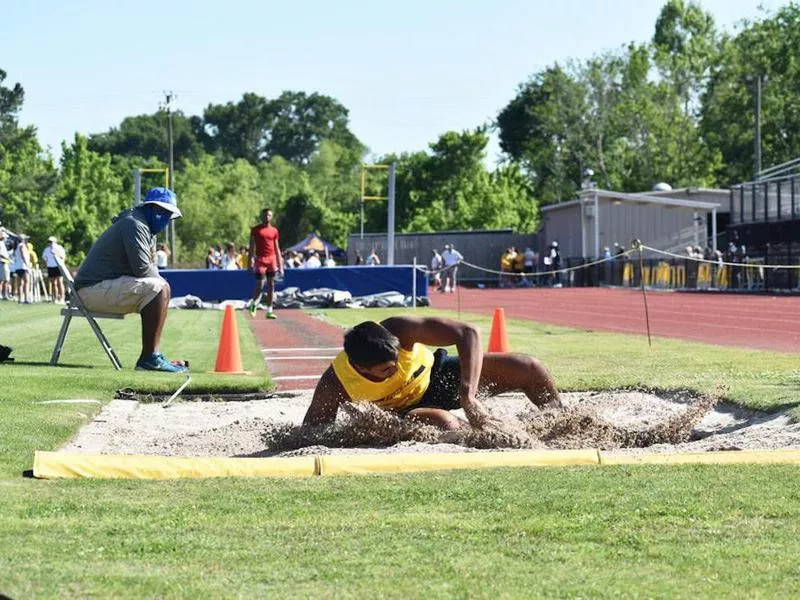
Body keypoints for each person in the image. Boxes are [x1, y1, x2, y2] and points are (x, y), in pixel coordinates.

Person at [303, 316, 561, 431]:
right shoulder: (336, 383)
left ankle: (561, 422)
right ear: (361, 368)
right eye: (386, 370)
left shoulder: (398, 329)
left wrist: (468, 396)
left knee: (528, 367)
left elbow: (468, 332)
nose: (396, 370)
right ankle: (484, 434)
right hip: (404, 411)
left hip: (438, 375)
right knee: (444, 422)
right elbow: (311, 431)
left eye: (396, 361)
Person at [74, 187, 187, 372]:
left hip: (98, 288)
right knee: (159, 289)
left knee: (161, 289)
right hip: (89, 291)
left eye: (169, 215)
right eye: (163, 213)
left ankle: (153, 356)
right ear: (151, 209)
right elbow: (143, 269)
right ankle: (150, 358)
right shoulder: (134, 224)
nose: (166, 219)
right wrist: (163, 291)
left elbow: (148, 268)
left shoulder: (144, 227)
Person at [247, 208, 284, 320]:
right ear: (261, 216)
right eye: (265, 215)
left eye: (269, 215)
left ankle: (269, 311)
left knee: (271, 285)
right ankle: (253, 305)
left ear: (271, 217)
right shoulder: (255, 230)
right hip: (260, 260)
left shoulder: (274, 231)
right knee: (260, 284)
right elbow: (251, 247)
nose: (266, 217)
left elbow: (277, 248)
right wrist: (249, 263)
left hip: (271, 260)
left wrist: (280, 265)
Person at [42, 236, 67, 304]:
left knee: (60, 282)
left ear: (55, 242)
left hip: (58, 266)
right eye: (49, 242)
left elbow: (63, 257)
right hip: (50, 267)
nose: (49, 243)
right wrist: (45, 265)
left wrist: (56, 255)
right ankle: (55, 298)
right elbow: (44, 258)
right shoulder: (46, 249)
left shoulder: (59, 248)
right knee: (53, 283)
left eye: (51, 242)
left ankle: (62, 298)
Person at [12, 235, 32, 303]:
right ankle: (26, 299)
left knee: (20, 284)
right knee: (26, 282)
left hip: (18, 266)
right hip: (23, 266)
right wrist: (27, 264)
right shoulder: (22, 246)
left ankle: (20, 299)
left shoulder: (16, 247)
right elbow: (23, 255)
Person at [0, 230, 12, 300]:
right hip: (2, 263)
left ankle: (5, 294)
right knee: (2, 280)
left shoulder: (3, 244)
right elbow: (1, 254)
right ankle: (2, 294)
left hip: (5, 263)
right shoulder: (1, 243)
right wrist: (9, 259)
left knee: (6, 280)